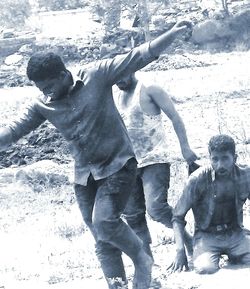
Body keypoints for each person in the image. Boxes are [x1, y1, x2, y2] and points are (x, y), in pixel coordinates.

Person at [0, 21, 193, 289]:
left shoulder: (97, 75)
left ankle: (142, 258)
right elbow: (14, 130)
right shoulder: (43, 103)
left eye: (49, 86)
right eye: (41, 89)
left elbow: (138, 56)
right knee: (102, 241)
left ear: (64, 73)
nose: (46, 93)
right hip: (84, 175)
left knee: (103, 221)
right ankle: (117, 285)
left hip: (118, 165)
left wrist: (172, 33)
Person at [114, 72, 198, 258]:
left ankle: (187, 240)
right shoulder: (115, 95)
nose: (118, 79)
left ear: (131, 67)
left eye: (121, 73)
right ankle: (146, 261)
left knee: (156, 208)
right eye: (114, 75)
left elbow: (175, 117)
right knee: (133, 214)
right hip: (127, 163)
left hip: (155, 158)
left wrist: (185, 148)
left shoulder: (149, 89)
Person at [169, 134, 250, 274]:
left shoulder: (245, 175)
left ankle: (235, 255)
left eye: (225, 158)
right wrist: (180, 251)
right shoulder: (197, 180)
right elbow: (177, 217)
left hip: (235, 232)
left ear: (235, 158)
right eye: (215, 159)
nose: (220, 165)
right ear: (210, 159)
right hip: (207, 235)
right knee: (205, 268)